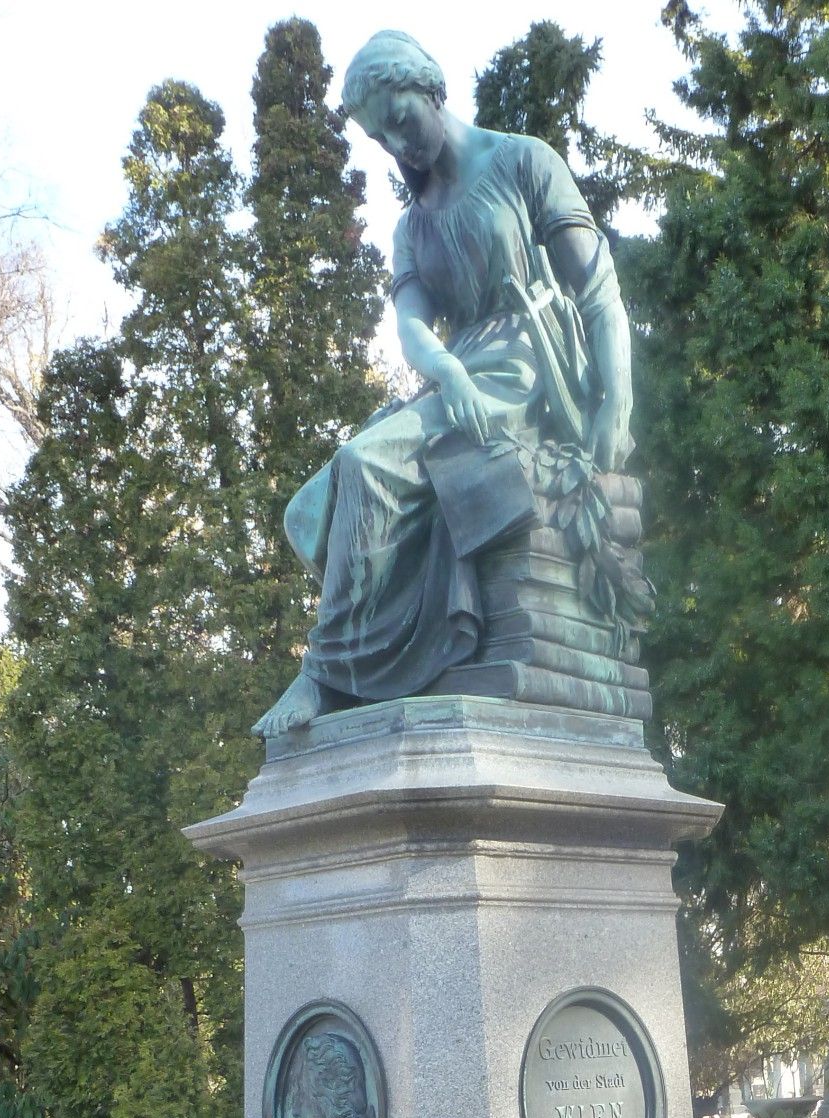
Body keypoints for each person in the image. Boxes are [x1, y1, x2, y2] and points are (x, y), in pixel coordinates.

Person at [252, 29, 635, 739]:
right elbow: (412, 327)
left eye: (400, 120)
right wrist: (446, 368)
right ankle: (385, 663)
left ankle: (328, 673)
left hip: (532, 370)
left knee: (366, 462)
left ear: (430, 88)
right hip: (459, 375)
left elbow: (597, 288)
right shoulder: (411, 227)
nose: (399, 146)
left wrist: (615, 399)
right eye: (382, 139)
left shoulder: (523, 162)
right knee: (312, 508)